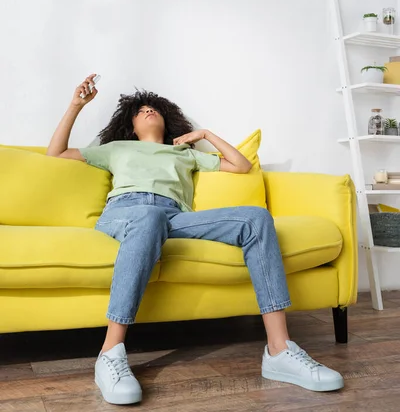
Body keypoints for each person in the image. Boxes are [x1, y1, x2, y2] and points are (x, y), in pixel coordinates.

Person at [46, 74, 344, 405]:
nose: (148, 111)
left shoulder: (185, 153)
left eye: (154, 108)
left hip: (174, 217)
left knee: (256, 218)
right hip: (128, 212)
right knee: (149, 216)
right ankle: (110, 353)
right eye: (141, 109)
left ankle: (279, 351)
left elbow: (240, 165)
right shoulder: (117, 148)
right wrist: (75, 106)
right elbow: (55, 154)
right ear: (130, 124)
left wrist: (204, 135)